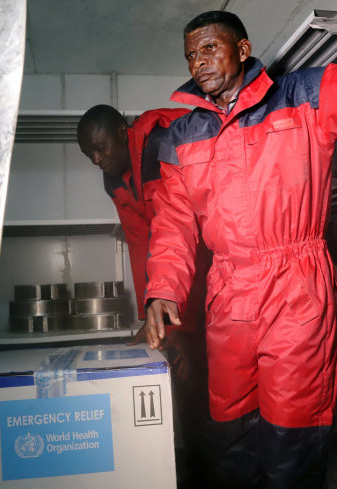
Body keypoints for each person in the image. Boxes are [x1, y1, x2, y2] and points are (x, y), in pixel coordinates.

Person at [142, 10, 337, 489]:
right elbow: (174, 222)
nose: (198, 62)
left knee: (292, 431)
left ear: (242, 50)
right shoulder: (181, 137)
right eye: (190, 55)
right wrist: (163, 290)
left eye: (209, 48)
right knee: (228, 432)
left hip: (295, 288)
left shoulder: (302, 97)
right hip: (229, 295)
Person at [76, 105, 211, 487]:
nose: (97, 160)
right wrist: (150, 316)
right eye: (90, 155)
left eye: (100, 148)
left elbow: (184, 233)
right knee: (183, 378)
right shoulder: (114, 180)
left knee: (206, 379)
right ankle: (200, 470)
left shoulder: (159, 143)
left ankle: (217, 469)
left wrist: (178, 326)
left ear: (123, 131)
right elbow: (141, 243)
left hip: (206, 265)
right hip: (176, 275)